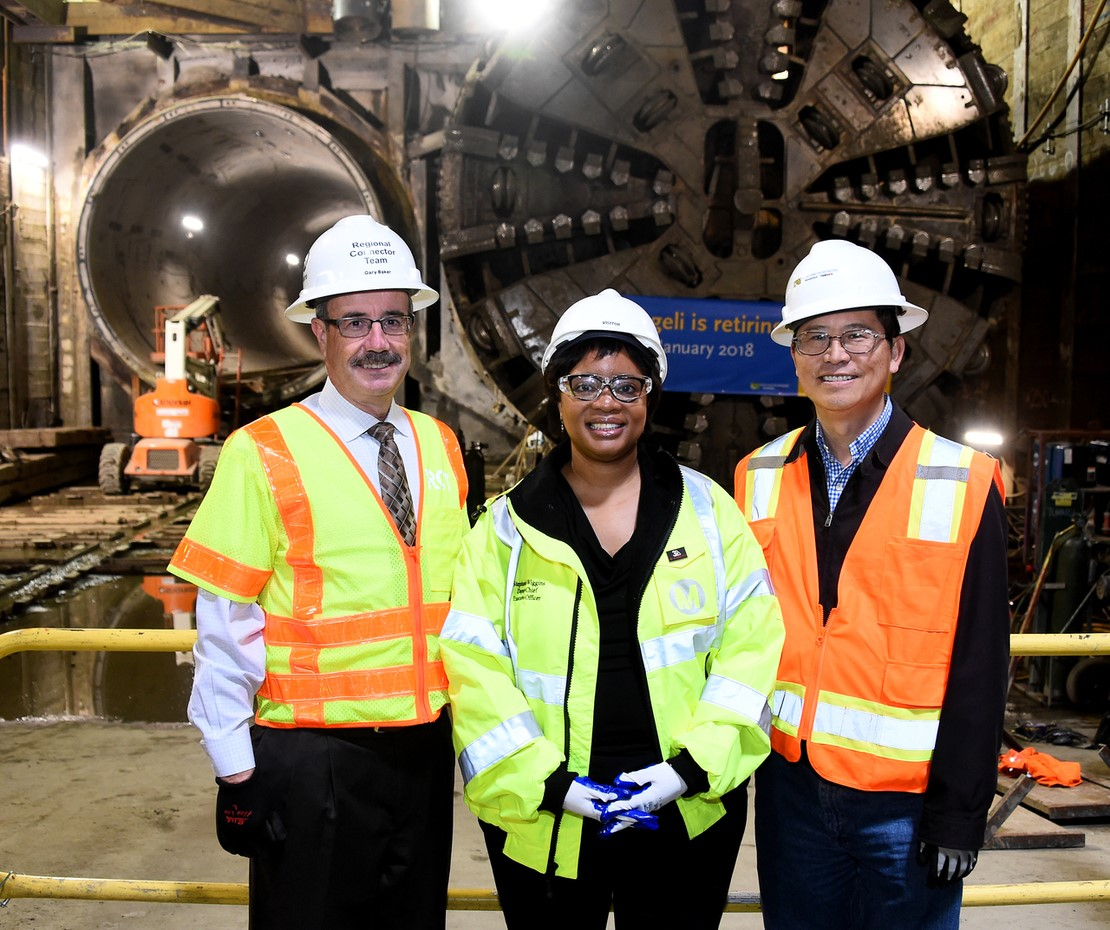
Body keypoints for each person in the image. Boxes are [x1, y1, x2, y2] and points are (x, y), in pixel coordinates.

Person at [440, 288, 784, 930]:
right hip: (546, 822)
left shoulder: (707, 512)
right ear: (558, 394)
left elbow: (751, 649)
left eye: (627, 386)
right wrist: (550, 785)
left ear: (650, 396)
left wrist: (686, 772)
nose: (606, 402)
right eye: (586, 382)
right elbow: (474, 668)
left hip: (685, 815)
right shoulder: (507, 529)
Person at [168, 214, 470, 929]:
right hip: (312, 758)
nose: (377, 342)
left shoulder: (440, 444)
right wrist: (236, 771)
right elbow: (223, 628)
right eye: (356, 322)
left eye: (392, 321)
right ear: (320, 332)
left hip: (423, 751)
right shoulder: (262, 450)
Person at [733, 239, 1010, 929]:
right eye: (815, 337)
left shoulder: (964, 481)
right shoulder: (755, 476)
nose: (836, 354)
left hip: (908, 804)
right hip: (791, 791)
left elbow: (982, 664)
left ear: (896, 351)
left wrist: (960, 811)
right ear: (793, 357)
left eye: (858, 334)